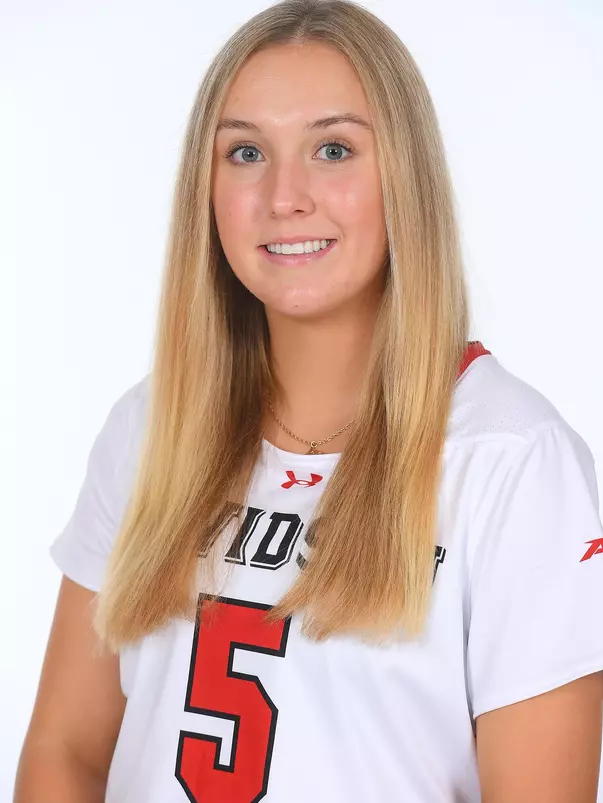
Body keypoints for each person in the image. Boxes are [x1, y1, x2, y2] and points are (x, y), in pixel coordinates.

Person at [15, 1, 603, 801]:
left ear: (405, 173)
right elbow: (66, 753)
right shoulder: (150, 428)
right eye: (246, 152)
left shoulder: (511, 460)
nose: (283, 195)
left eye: (333, 149)